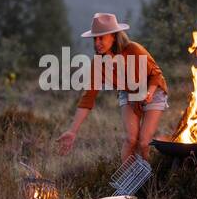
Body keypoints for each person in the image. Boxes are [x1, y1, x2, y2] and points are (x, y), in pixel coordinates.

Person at [57, 13, 169, 163]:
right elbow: (87, 98)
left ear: (114, 37)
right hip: (128, 93)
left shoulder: (134, 49)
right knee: (130, 140)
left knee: (143, 142)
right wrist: (72, 131)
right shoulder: (98, 64)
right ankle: (126, 183)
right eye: (95, 38)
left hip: (153, 90)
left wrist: (149, 93)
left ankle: (150, 179)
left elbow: (156, 74)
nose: (97, 42)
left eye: (101, 37)